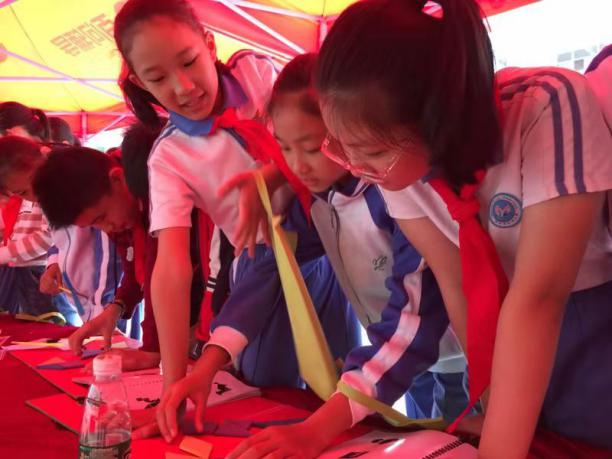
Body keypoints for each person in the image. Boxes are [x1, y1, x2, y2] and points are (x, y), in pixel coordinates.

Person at [291, 1, 612, 457]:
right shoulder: (400, 170)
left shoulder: (547, 106)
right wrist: (493, 404)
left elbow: (540, 300)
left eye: (371, 152)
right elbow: (460, 286)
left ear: (436, 121)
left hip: (589, 336)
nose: (356, 168)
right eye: (340, 144)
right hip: (508, 336)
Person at [113, 0, 358, 443]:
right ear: (139, 82)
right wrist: (173, 387)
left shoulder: (257, 73)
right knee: (271, 396)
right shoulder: (169, 157)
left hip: (333, 248)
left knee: (346, 382)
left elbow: (317, 126)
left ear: (209, 45)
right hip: (262, 270)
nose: (183, 87)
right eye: (158, 78)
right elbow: (170, 269)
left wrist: (272, 174)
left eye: (189, 61)